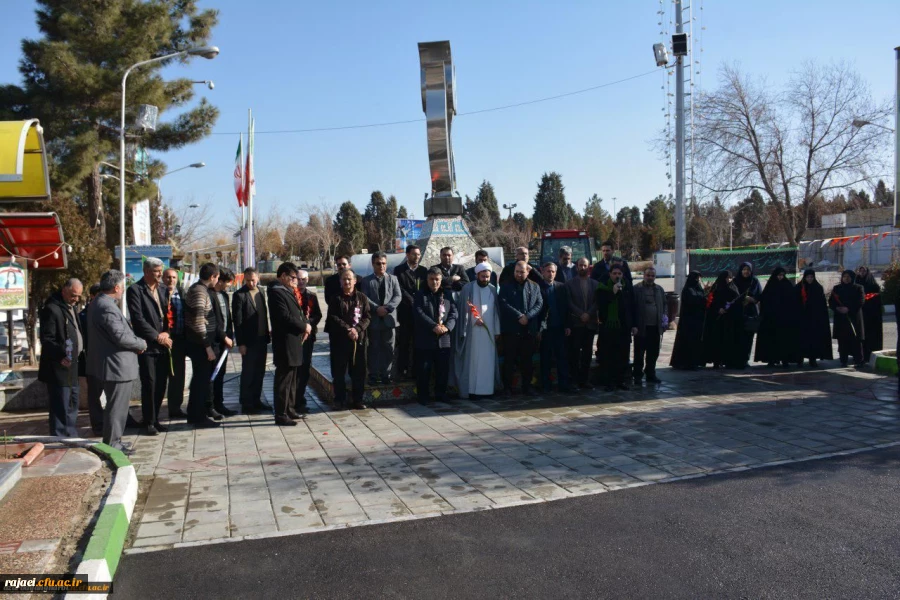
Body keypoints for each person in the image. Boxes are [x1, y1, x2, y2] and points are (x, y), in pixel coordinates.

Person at [86, 270, 147, 449]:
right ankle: (113, 443)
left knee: (118, 407)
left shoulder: (100, 303)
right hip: (116, 366)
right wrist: (140, 343)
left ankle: (115, 440)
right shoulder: (106, 306)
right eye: (122, 287)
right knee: (116, 408)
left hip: (113, 364)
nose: (123, 291)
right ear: (116, 287)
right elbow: (120, 337)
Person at [126, 257, 172, 435]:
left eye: (161, 270)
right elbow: (138, 319)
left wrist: (167, 332)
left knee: (161, 383)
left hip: (164, 343)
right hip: (148, 345)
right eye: (156, 271)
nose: (161, 274)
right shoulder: (135, 290)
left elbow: (169, 314)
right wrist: (157, 336)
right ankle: (148, 421)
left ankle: (156, 418)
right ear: (146, 272)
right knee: (150, 383)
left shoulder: (162, 289)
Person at [39, 278, 84, 437]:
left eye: (79, 296)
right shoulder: (52, 309)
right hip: (59, 367)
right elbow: (47, 339)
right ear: (64, 290)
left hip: (73, 366)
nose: (76, 299)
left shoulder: (71, 307)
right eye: (73, 295)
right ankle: (60, 438)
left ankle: (70, 435)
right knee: (61, 405)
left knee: (72, 403)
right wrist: (60, 355)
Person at [267, 263, 311, 425]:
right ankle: (281, 413)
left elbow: (298, 313)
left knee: (292, 378)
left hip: (294, 340)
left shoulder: (287, 291)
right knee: (284, 379)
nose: (295, 281)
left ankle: (290, 409)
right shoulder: (276, 292)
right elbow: (285, 317)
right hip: (285, 341)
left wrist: (304, 326)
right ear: (284, 276)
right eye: (293, 278)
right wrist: (304, 326)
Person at [184, 263, 222, 429]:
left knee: (201, 380)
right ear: (213, 277)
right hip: (199, 344)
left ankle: (194, 414)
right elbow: (198, 321)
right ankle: (198, 416)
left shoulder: (200, 289)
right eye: (217, 278)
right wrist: (207, 345)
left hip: (200, 343)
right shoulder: (200, 292)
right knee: (201, 381)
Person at [455, 263, 502, 399]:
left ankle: (487, 390)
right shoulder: (468, 288)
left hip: (489, 334)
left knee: (487, 363)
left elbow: (496, 312)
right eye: (483, 276)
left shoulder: (493, 289)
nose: (485, 279)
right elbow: (464, 309)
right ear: (477, 275)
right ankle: (472, 390)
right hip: (473, 332)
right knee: (473, 362)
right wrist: (472, 321)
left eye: (487, 277)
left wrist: (497, 331)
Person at [327, 269, 371, 410]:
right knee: (339, 372)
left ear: (355, 280)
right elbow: (333, 317)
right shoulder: (335, 299)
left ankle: (358, 400)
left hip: (358, 340)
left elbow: (367, 317)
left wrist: (356, 330)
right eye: (344, 279)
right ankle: (339, 400)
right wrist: (348, 329)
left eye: (349, 279)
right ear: (340, 281)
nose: (347, 282)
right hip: (340, 341)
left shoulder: (362, 298)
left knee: (359, 372)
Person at [498, 261, 543, 396]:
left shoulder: (535, 286)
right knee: (509, 360)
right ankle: (507, 388)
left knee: (527, 360)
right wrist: (519, 316)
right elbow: (503, 303)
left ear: (527, 272)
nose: (519, 274)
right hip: (511, 329)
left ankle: (527, 386)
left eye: (522, 272)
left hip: (528, 330)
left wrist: (527, 317)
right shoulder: (506, 286)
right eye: (517, 271)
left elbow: (539, 303)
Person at [414, 267, 458, 403]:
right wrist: (433, 326)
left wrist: (447, 327)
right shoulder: (420, 294)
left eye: (437, 279)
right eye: (432, 279)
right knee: (424, 370)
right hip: (426, 338)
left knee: (443, 369)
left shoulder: (447, 294)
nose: (434, 282)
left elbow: (454, 313)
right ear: (427, 280)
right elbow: (418, 313)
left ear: (441, 280)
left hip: (444, 338)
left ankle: (441, 394)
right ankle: (423, 396)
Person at [232, 267, 271, 414]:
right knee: (248, 373)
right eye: (247, 280)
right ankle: (246, 403)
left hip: (262, 339)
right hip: (248, 341)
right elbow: (238, 321)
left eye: (253, 279)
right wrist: (241, 343)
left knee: (259, 372)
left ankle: (256, 400)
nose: (251, 283)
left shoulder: (261, 292)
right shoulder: (239, 295)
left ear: (258, 278)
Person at [361, 252, 402, 385]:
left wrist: (388, 308)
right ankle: (373, 375)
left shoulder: (393, 279)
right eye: (378, 263)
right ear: (373, 264)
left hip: (389, 320)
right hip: (374, 320)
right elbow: (364, 297)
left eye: (384, 263)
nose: (381, 266)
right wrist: (376, 308)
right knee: (373, 348)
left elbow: (397, 296)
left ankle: (386, 374)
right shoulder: (366, 280)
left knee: (389, 348)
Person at [538, 262, 574, 393]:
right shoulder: (538, 287)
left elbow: (567, 307)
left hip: (560, 327)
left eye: (553, 271)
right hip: (545, 329)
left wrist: (568, 325)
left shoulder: (561, 287)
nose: (550, 274)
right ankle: (546, 385)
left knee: (562, 358)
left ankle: (563, 384)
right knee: (545, 358)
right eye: (548, 271)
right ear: (543, 272)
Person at [596, 265, 633, 391]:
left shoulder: (627, 286)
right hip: (608, 326)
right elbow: (601, 304)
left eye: (619, 273)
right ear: (610, 274)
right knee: (609, 355)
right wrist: (613, 291)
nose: (617, 276)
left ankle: (620, 380)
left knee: (622, 354)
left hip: (623, 327)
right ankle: (609, 382)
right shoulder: (603, 287)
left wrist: (633, 325)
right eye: (614, 273)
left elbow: (631, 306)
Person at [393, 245, 428, 379]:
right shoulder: (399, 270)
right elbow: (399, 288)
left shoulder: (423, 271)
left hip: (420, 313)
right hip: (405, 312)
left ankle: (417, 370)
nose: (417, 257)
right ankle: (402, 370)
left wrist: (419, 302)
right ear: (407, 255)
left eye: (418, 254)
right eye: (414, 254)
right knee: (404, 342)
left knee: (419, 343)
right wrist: (411, 300)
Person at [754, 266, 799, 368]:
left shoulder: (787, 285)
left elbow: (793, 301)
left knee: (784, 341)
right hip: (771, 320)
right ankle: (771, 360)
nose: (780, 277)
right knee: (772, 341)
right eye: (779, 275)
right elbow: (764, 299)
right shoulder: (770, 286)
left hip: (784, 320)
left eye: (782, 275)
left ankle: (785, 360)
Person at [566, 257, 598, 389]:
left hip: (589, 324)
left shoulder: (595, 284)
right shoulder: (570, 283)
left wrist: (588, 314)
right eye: (580, 265)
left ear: (588, 267)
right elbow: (569, 302)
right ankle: (574, 380)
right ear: (576, 267)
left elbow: (597, 302)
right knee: (574, 353)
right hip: (576, 324)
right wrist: (581, 314)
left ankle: (585, 380)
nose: (582, 268)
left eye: (585, 266)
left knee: (587, 353)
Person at [631, 266, 666, 385]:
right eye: (648, 275)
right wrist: (633, 325)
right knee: (639, 353)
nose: (650, 278)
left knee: (653, 352)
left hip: (655, 327)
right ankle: (637, 375)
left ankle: (651, 374)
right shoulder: (636, 289)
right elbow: (632, 308)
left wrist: (664, 320)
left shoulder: (659, 289)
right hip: (641, 327)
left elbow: (664, 305)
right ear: (644, 275)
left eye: (652, 276)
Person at [702, 270, 743, 369]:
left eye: (730, 277)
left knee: (728, 340)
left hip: (729, 319)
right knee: (717, 341)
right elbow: (710, 302)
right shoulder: (716, 288)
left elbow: (737, 302)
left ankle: (726, 360)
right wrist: (718, 309)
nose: (728, 279)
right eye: (726, 277)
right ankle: (716, 361)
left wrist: (728, 309)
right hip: (717, 320)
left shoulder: (734, 287)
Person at [79, 283, 105, 435]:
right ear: (93, 296)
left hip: (109, 359)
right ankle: (98, 425)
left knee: (115, 392)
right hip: (93, 360)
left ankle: (123, 419)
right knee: (94, 395)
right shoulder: (84, 315)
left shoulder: (107, 312)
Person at [294, 270, 322, 412]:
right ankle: (294, 399)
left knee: (305, 369)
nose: (301, 282)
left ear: (308, 280)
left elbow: (318, 314)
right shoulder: (291, 295)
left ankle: (301, 397)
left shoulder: (311, 296)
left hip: (308, 336)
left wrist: (309, 324)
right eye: (299, 279)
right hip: (295, 337)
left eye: (304, 279)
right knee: (296, 370)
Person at [211, 268, 237, 417]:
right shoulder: (210, 294)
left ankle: (219, 404)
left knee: (221, 374)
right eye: (228, 283)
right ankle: (211, 405)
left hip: (225, 342)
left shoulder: (225, 295)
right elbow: (213, 321)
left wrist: (230, 335)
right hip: (214, 341)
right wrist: (223, 336)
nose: (229, 286)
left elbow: (227, 318)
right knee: (212, 374)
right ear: (220, 280)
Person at [162, 269, 188, 419]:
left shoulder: (183, 294)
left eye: (173, 277)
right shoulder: (160, 293)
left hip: (179, 340)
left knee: (178, 376)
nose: (170, 280)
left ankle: (175, 407)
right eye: (168, 277)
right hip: (163, 341)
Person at [795, 269, 832, 368]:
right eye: (808, 277)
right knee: (801, 340)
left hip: (814, 320)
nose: (809, 279)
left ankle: (813, 359)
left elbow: (821, 305)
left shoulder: (818, 288)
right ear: (804, 277)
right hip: (801, 319)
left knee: (813, 341)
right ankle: (799, 360)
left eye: (811, 277)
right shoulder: (799, 287)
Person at [670, 271, 706, 370]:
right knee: (688, 342)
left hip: (697, 321)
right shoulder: (687, 290)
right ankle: (686, 363)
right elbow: (694, 300)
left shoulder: (698, 288)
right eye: (696, 278)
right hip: (688, 322)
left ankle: (694, 362)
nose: (697, 280)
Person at [829, 270, 865, 367]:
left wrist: (848, 308)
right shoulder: (837, 288)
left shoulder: (858, 288)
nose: (846, 278)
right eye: (844, 276)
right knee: (842, 340)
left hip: (854, 318)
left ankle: (858, 360)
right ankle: (843, 360)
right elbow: (831, 301)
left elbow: (860, 301)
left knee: (856, 340)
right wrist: (837, 308)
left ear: (852, 278)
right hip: (841, 318)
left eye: (848, 277)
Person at [733, 261, 762, 369]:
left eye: (748, 270)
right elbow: (732, 295)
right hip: (738, 313)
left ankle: (745, 359)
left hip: (750, 313)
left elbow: (759, 295)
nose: (746, 272)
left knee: (748, 338)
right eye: (744, 269)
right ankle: (736, 360)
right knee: (737, 336)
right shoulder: (735, 281)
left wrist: (752, 299)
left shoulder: (754, 281)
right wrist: (741, 299)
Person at [855, 265, 882, 362]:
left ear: (867, 272)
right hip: (859, 312)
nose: (862, 273)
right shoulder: (856, 283)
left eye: (864, 271)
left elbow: (877, 299)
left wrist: (867, 299)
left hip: (871, 314)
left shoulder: (873, 285)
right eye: (860, 271)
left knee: (870, 334)